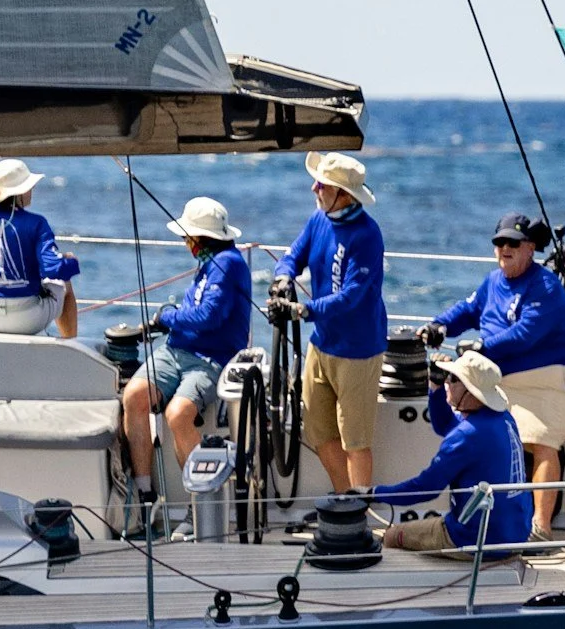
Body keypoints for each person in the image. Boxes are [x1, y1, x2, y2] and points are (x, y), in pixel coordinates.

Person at [423, 213, 565, 540]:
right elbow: (467, 310)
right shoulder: (491, 282)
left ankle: (541, 526)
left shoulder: (546, 287)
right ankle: (477, 517)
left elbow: (526, 334)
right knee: (472, 431)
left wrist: (482, 345)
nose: (504, 249)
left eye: (513, 243)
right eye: (499, 242)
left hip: (548, 374)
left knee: (541, 441)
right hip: (500, 375)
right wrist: (438, 325)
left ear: (531, 248)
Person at [120, 196, 251, 534]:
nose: (184, 242)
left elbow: (208, 316)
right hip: (176, 349)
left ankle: (199, 508)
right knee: (134, 396)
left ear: (197, 239)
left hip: (210, 359)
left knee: (177, 414)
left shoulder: (229, 264)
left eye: (186, 236)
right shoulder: (209, 261)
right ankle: (145, 496)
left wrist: (167, 316)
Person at [272, 151, 387, 494]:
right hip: (321, 346)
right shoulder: (318, 219)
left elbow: (352, 296)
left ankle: (359, 512)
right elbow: (294, 255)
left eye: (321, 185)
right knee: (318, 432)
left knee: (355, 441)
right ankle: (343, 502)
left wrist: (303, 311)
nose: (314, 189)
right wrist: (282, 277)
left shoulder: (367, 235)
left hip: (357, 352)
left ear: (344, 195)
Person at [375, 349, 533, 556]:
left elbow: (426, 488)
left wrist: (374, 494)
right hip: (515, 534)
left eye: (453, 379)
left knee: (391, 535)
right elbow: (445, 425)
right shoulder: (502, 418)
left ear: (470, 390)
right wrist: (436, 387)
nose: (447, 381)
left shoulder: (467, 435)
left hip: (477, 539)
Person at [0, 158, 79, 338]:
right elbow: (53, 269)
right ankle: (71, 345)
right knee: (64, 285)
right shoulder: (37, 223)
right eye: (29, 186)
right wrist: (71, 262)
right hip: (25, 320)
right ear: (20, 192)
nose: (32, 190)